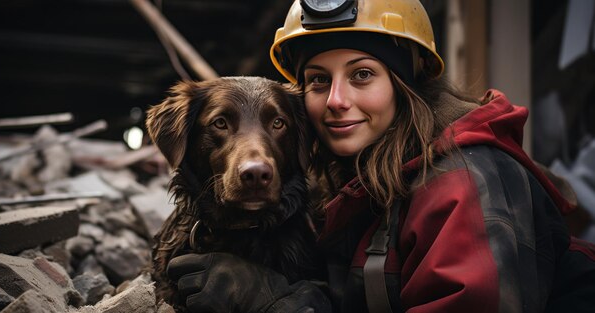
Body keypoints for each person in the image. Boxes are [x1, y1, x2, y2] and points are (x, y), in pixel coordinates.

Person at [166, 0, 595, 312]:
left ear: (404, 84)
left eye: (362, 74)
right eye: (318, 80)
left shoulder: (465, 183)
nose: (336, 100)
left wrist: (283, 304)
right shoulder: (360, 178)